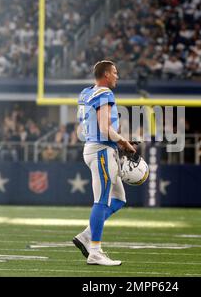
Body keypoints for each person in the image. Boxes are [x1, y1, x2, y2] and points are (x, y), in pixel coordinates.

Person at [73, 60, 136, 266]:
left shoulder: (86, 92)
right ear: (106, 74)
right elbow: (103, 127)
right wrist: (124, 141)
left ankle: (86, 235)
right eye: (115, 72)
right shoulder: (105, 93)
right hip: (101, 149)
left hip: (95, 148)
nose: (117, 76)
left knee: (118, 199)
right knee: (101, 200)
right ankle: (95, 251)